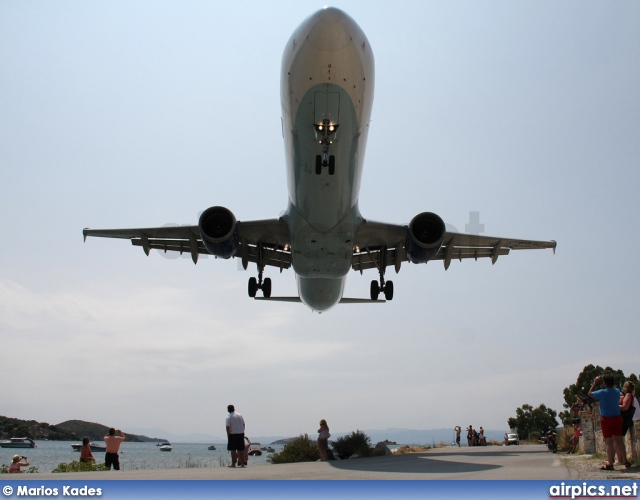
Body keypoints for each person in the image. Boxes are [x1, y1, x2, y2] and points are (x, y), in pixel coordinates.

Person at [589, 374, 629, 470]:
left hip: (606, 418)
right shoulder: (616, 391)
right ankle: (625, 461)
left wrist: (595, 383)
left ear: (605, 383)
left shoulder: (602, 393)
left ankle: (610, 462)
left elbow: (590, 394)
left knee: (608, 442)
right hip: (617, 417)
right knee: (619, 440)